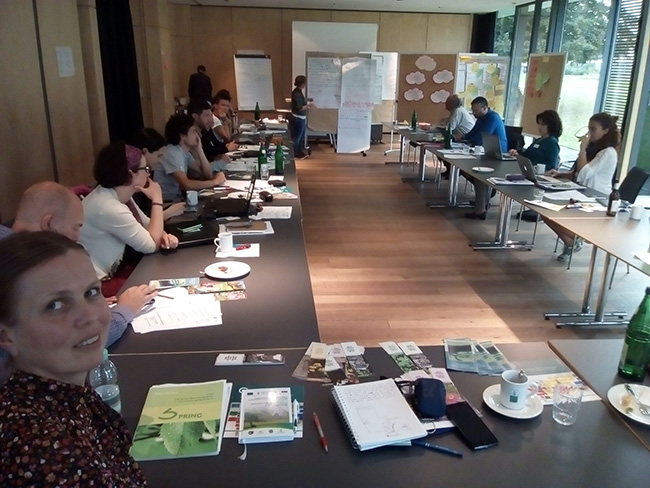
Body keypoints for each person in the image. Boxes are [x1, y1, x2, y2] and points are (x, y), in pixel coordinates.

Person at [0, 231, 147, 485]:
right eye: (55, 305)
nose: (89, 317)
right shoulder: (43, 452)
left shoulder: (65, 395)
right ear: (6, 336)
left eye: (91, 292)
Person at [0, 181, 157, 349]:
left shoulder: (19, 252)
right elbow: (69, 346)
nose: (77, 237)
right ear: (49, 223)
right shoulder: (22, 270)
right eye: (75, 228)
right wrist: (125, 311)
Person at [80, 143, 180, 296]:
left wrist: (164, 236)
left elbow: (147, 223)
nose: (148, 174)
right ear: (130, 174)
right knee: (161, 285)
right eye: (145, 169)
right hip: (98, 285)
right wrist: (157, 198)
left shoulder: (117, 194)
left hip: (112, 273)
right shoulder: (109, 207)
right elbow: (151, 246)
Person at [546, 112, 620, 261]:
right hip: (583, 193)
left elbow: (584, 173)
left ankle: (579, 237)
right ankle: (571, 242)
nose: (589, 133)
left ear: (605, 131)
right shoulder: (597, 148)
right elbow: (581, 172)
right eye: (589, 128)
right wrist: (562, 174)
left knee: (552, 213)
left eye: (593, 129)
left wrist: (582, 149)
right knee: (546, 210)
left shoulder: (608, 153)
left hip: (597, 198)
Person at [153, 113, 226, 201]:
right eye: (193, 131)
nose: (197, 135)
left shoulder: (184, 152)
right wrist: (215, 182)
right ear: (183, 136)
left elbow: (207, 174)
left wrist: (199, 149)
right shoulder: (173, 153)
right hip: (167, 203)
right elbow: (186, 184)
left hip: (178, 199)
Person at [511, 110, 563, 222]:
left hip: (539, 176)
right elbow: (527, 155)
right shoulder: (539, 140)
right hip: (529, 172)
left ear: (551, 125)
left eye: (543, 124)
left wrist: (536, 166)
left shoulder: (551, 142)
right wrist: (517, 153)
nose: (539, 127)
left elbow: (552, 165)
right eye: (539, 124)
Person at [463, 97, 508, 220]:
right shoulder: (481, 118)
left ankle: (481, 206)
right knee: (466, 169)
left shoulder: (493, 118)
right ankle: (482, 201)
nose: (473, 113)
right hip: (486, 152)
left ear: (484, 108)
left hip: (497, 155)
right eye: (473, 110)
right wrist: (463, 137)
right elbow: (472, 133)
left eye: (475, 110)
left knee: (478, 174)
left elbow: (480, 138)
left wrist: (468, 138)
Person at [129, 127, 186, 218]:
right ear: (144, 152)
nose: (160, 161)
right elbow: (142, 222)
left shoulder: (149, 174)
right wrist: (169, 212)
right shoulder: (133, 182)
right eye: (159, 156)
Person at [188, 98, 232, 175]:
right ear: (195, 116)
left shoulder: (202, 131)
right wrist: (221, 162)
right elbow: (201, 170)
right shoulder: (190, 138)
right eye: (207, 115)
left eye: (211, 115)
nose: (210, 119)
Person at [290, 75, 313, 159]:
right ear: (302, 84)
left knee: (300, 137)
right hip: (298, 118)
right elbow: (300, 108)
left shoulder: (297, 92)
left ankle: (299, 152)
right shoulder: (297, 93)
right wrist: (309, 105)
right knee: (297, 137)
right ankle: (296, 153)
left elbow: (301, 101)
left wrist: (307, 100)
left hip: (300, 118)